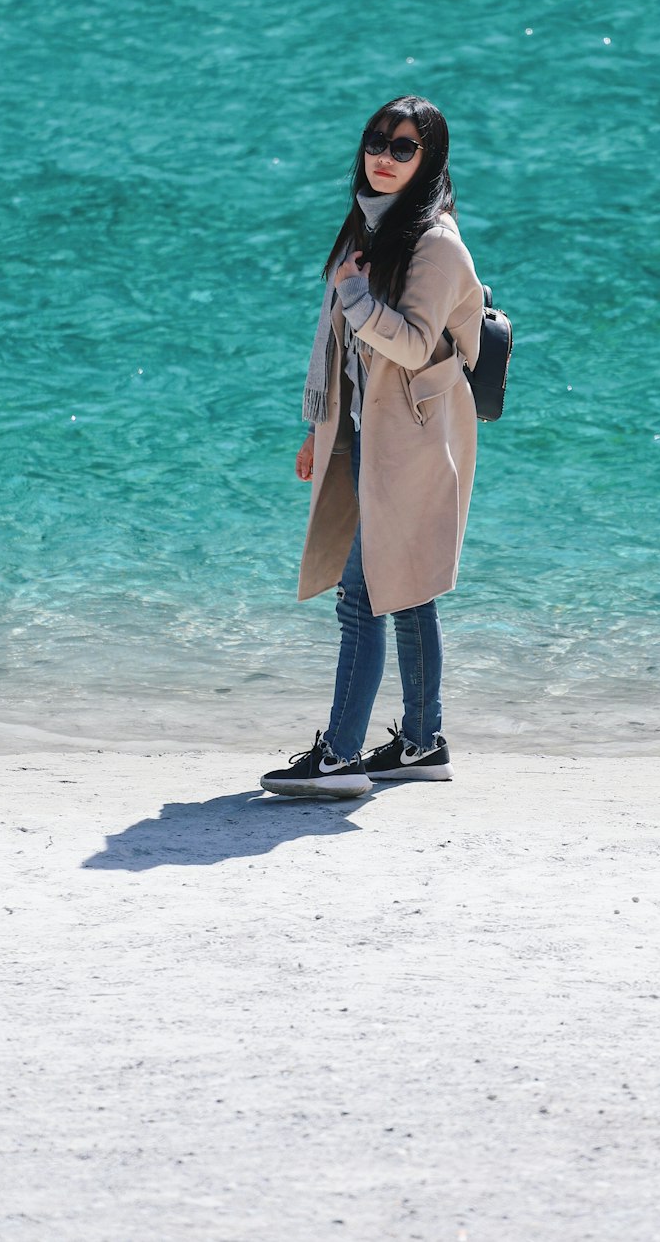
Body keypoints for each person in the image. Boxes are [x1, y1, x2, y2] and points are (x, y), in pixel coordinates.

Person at [261, 96, 484, 798]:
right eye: (376, 142)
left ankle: (340, 757)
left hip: (417, 441)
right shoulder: (367, 225)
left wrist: (357, 293)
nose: (384, 157)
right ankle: (421, 744)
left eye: (403, 148)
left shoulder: (438, 244)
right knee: (408, 593)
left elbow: (414, 344)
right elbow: (334, 339)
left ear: (430, 160)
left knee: (365, 596)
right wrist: (317, 426)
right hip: (365, 436)